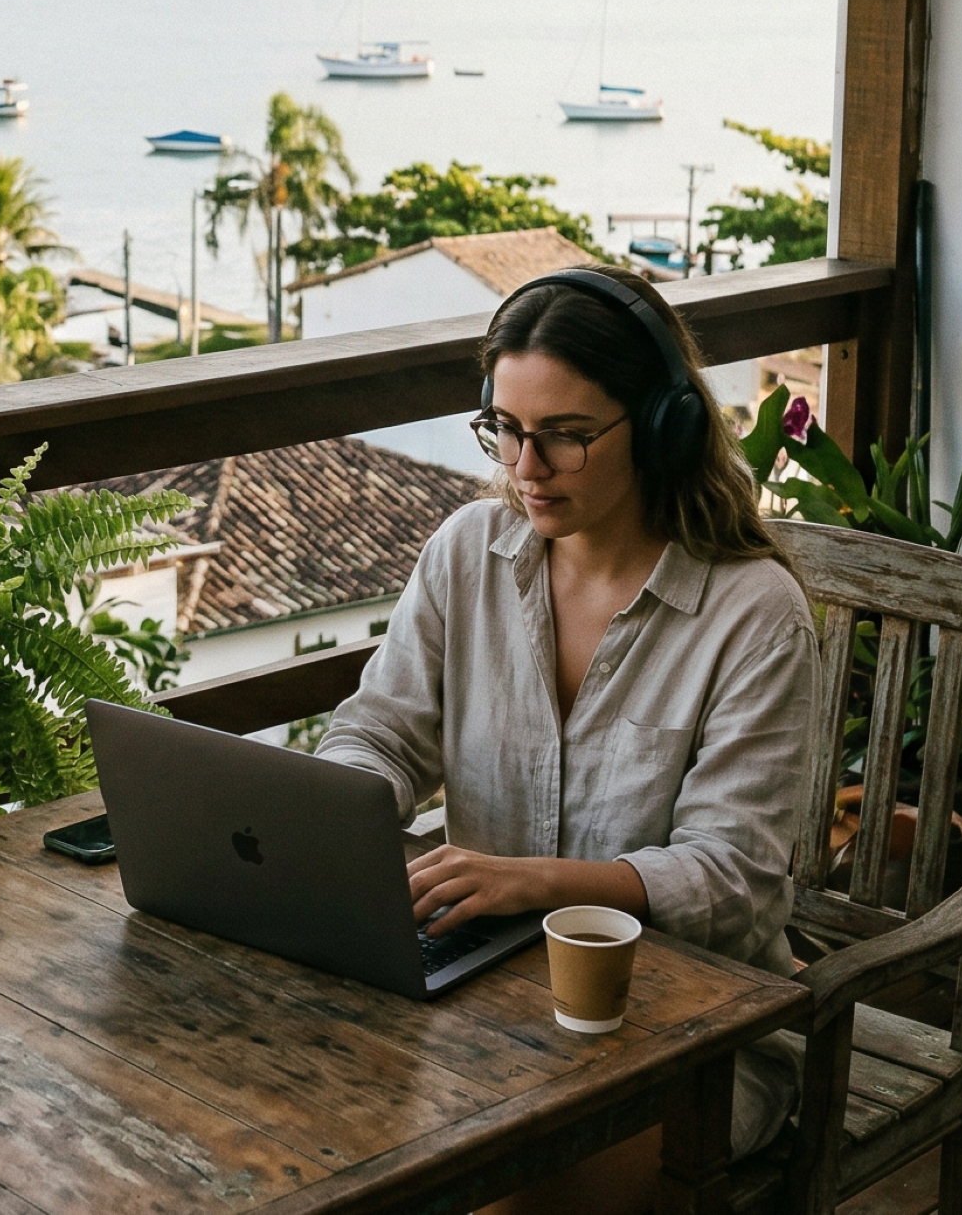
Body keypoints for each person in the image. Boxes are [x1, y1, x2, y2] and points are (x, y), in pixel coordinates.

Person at [314, 265, 818, 1213]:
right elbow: (379, 733)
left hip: (692, 1042)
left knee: (490, 1190)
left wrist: (533, 882)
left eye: (567, 437)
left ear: (662, 426)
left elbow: (736, 883)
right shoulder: (467, 554)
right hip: (488, 1004)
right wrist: (334, 811)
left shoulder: (754, 614)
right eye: (505, 430)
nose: (525, 468)